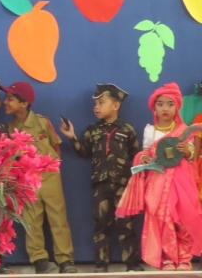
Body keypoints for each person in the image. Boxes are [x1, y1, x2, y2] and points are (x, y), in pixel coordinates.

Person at [116, 82, 202, 271]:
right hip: (158, 182)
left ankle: (184, 258)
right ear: (153, 107)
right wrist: (144, 157)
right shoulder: (150, 131)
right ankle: (169, 258)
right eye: (160, 104)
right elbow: (144, 153)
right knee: (163, 219)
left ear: (177, 107)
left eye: (170, 104)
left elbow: (191, 156)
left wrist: (186, 152)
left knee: (183, 219)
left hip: (181, 183)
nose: (165, 108)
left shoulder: (184, 130)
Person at [60, 84, 142, 273]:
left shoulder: (127, 130)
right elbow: (83, 151)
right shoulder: (93, 130)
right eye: (95, 103)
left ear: (116, 105)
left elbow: (134, 154)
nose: (96, 107)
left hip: (123, 185)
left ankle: (131, 263)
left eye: (101, 102)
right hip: (100, 184)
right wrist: (72, 137)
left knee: (126, 224)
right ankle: (101, 264)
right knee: (101, 224)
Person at [3, 81, 77, 274]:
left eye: (10, 99)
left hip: (50, 177)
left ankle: (65, 259)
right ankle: (40, 260)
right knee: (31, 220)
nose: (5, 102)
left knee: (58, 218)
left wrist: (50, 169)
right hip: (27, 181)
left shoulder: (43, 122)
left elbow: (55, 146)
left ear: (24, 103)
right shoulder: (9, 130)